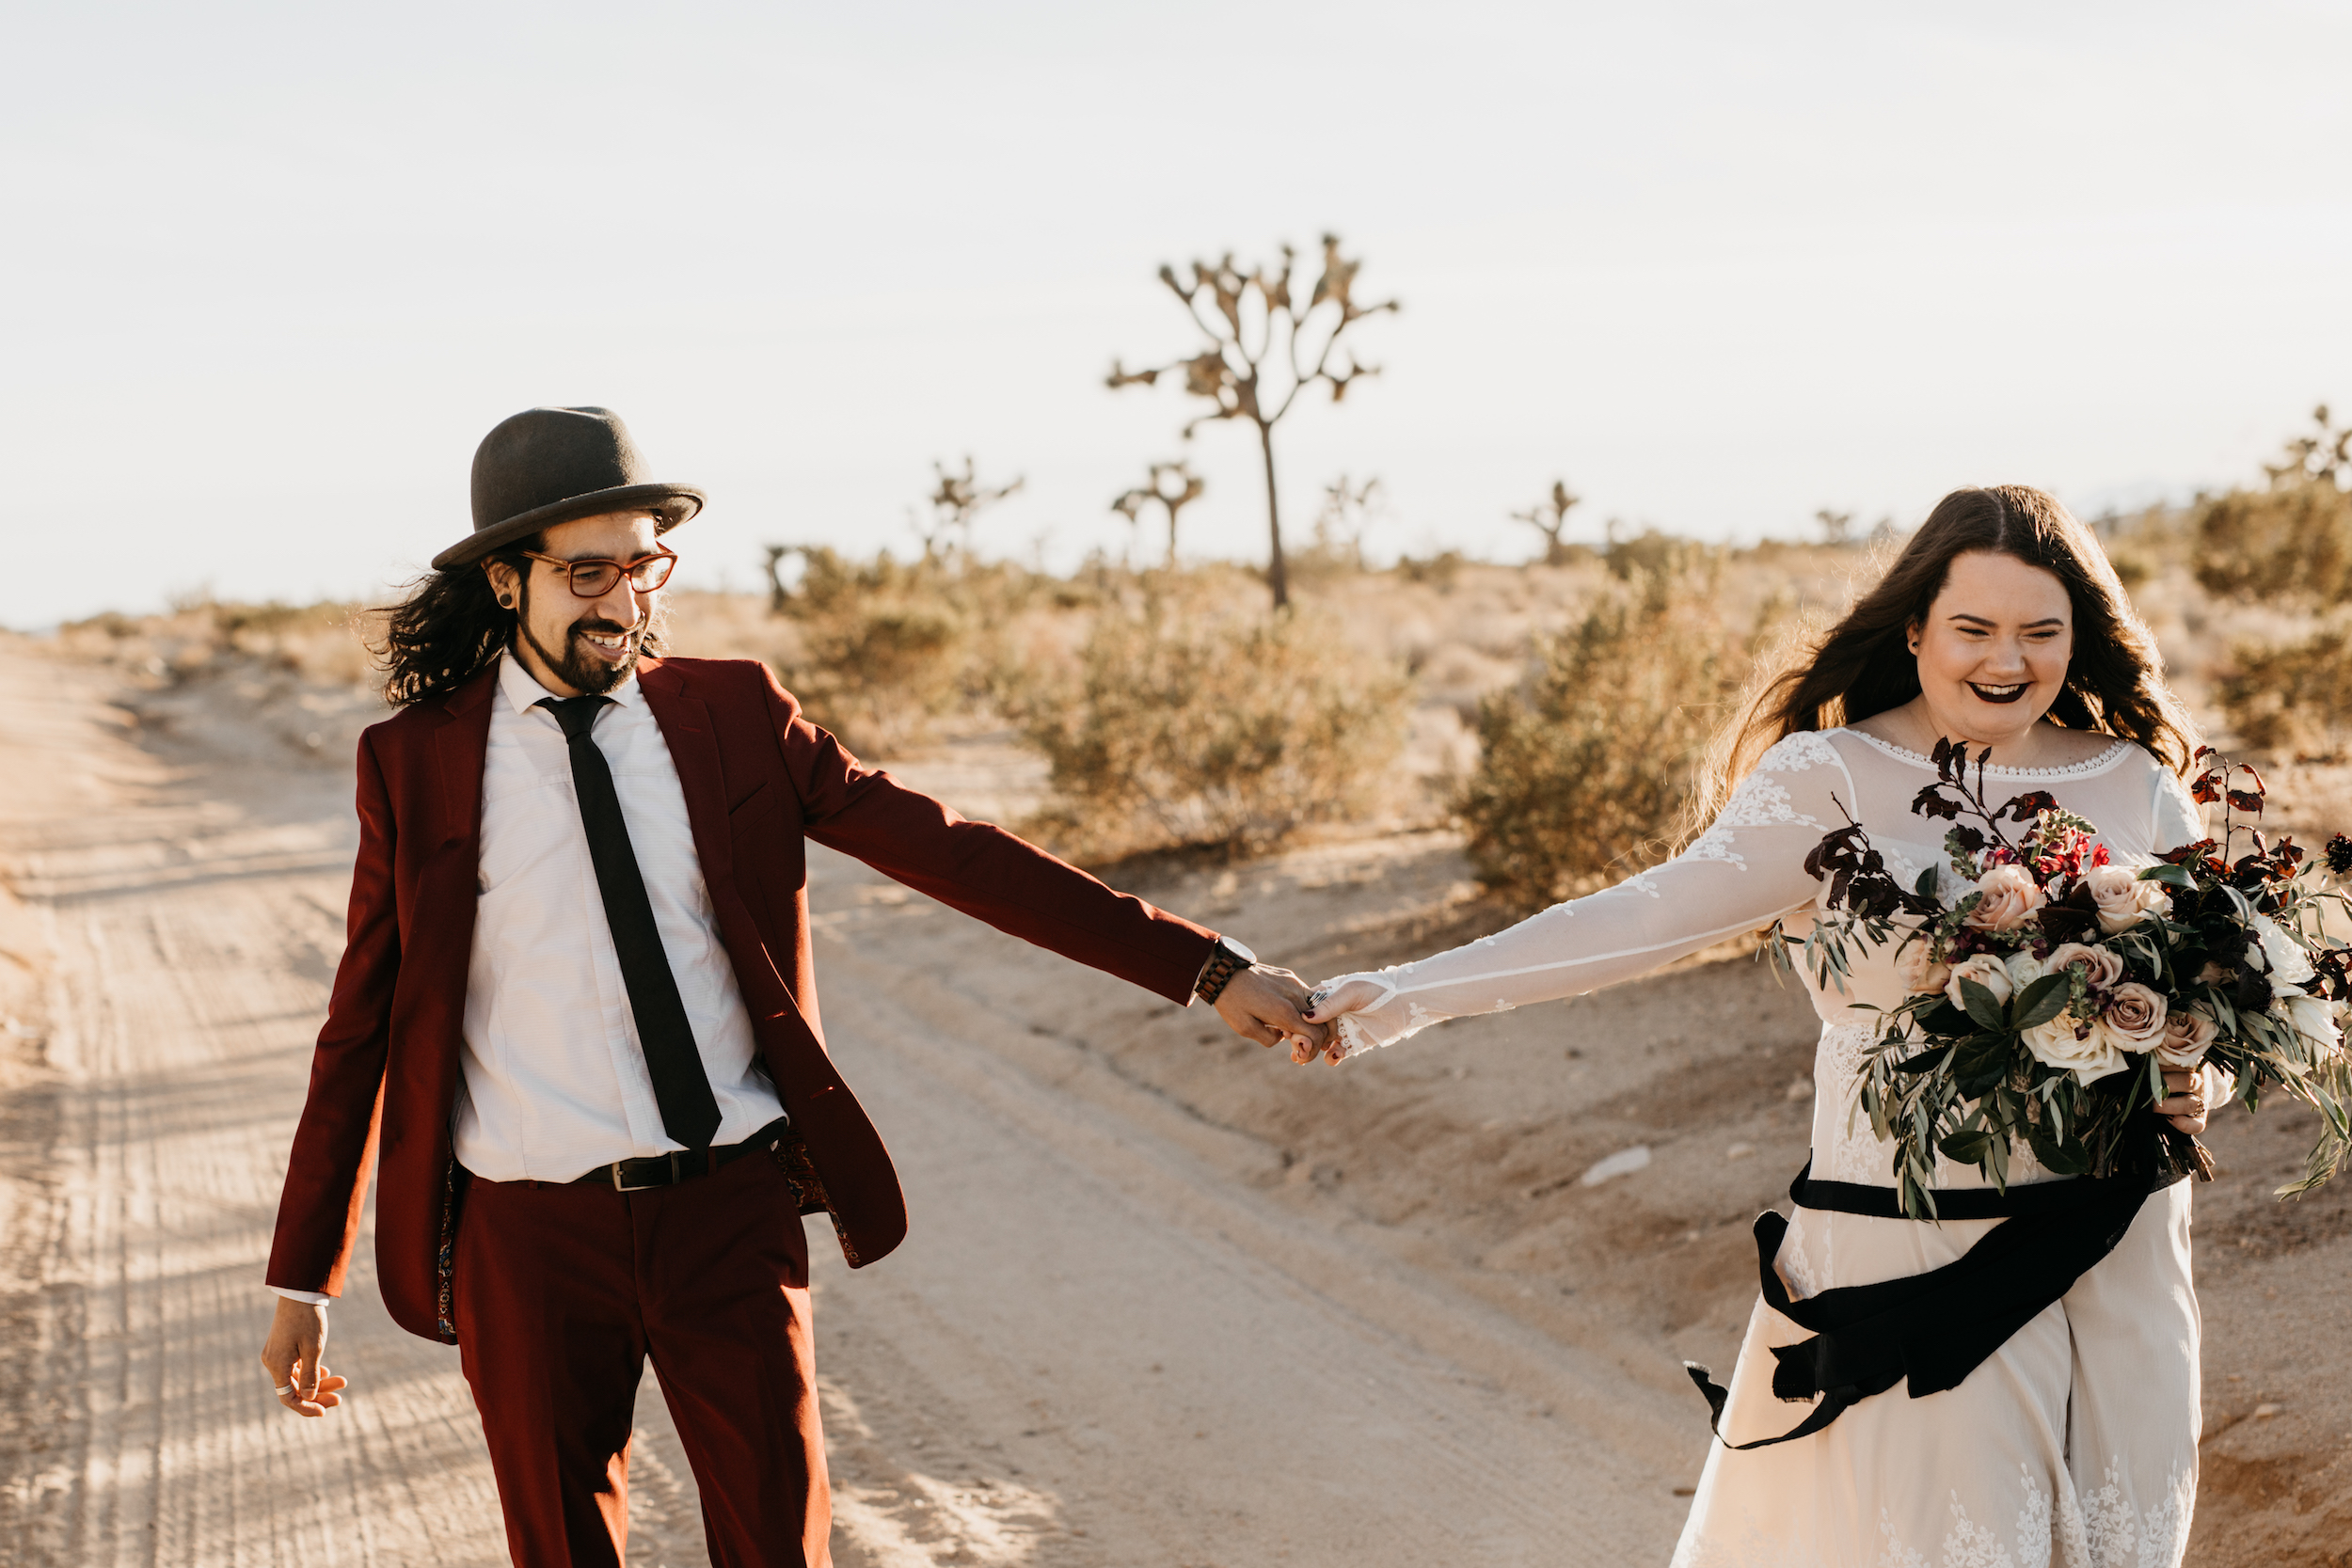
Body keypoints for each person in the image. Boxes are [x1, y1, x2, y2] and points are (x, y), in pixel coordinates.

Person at [258, 405, 1327, 1568]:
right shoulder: (416, 761)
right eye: (588, 571)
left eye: (642, 564)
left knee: (781, 1546)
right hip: (530, 1232)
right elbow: (358, 1024)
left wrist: (1203, 966)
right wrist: (303, 1274)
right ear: (509, 581)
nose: (622, 599)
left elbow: (951, 848)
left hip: (728, 1210)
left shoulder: (730, 716)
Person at [1302, 485, 2219, 1567]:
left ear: (2079, 636)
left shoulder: (2136, 784)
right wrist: (1404, 994)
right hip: (1916, 1243)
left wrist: (2189, 1070)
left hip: (2119, 1254)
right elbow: (1641, 920)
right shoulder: (1829, 779)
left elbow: (2205, 994)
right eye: (1973, 627)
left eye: (2039, 630)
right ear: (1915, 627)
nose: (2005, 657)